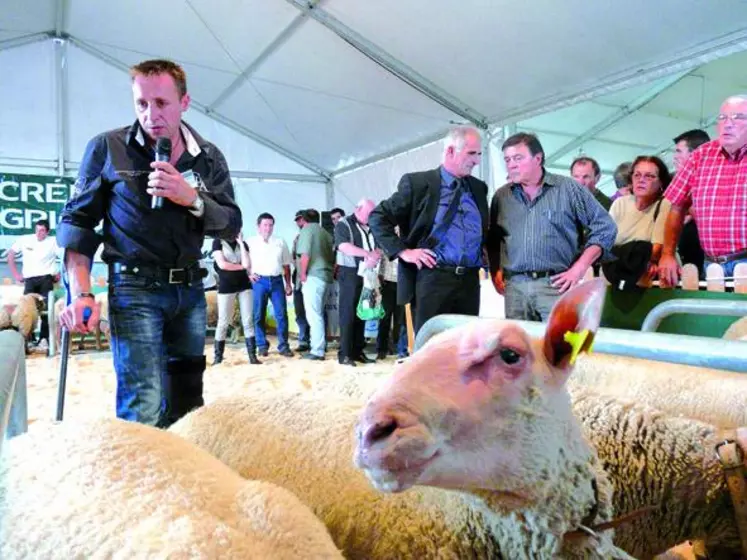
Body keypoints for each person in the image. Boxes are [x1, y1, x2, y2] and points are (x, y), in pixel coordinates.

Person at [56, 59, 242, 428]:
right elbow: (78, 223)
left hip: (190, 290)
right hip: (133, 288)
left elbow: (231, 224)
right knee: (143, 403)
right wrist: (80, 293)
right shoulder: (108, 148)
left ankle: (184, 481)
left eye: (161, 103)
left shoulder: (208, 157)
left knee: (188, 402)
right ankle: (139, 482)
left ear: (184, 102)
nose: (150, 114)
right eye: (141, 103)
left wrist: (192, 198)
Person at [369, 125, 489, 335]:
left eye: (479, 154)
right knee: (431, 349)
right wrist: (404, 252)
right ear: (451, 151)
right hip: (433, 279)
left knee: (465, 351)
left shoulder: (478, 188)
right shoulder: (418, 184)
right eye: (471, 153)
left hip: (470, 281)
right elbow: (378, 217)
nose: (477, 160)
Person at [487, 132, 616, 321]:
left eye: (518, 158)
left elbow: (605, 227)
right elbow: (494, 239)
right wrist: (494, 271)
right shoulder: (502, 196)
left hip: (556, 285)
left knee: (558, 347)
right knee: (518, 349)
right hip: (515, 289)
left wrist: (579, 268)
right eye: (507, 159)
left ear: (537, 158)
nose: (511, 164)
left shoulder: (569, 189)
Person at [660, 94, 747, 287]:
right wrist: (667, 254)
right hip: (711, 264)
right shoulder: (701, 155)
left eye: (738, 118)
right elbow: (676, 206)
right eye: (723, 118)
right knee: (715, 316)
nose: (728, 124)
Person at [605, 156, 672, 289]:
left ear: (661, 183)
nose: (641, 180)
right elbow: (606, 242)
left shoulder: (665, 204)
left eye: (649, 176)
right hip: (619, 275)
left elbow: (657, 249)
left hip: (655, 280)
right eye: (637, 175)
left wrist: (623, 254)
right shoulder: (620, 203)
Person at [334, 199, 380, 366]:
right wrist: (367, 254)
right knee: (348, 313)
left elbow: (379, 244)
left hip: (368, 273)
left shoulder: (372, 225)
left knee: (363, 311)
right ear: (358, 209)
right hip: (350, 273)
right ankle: (345, 354)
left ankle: (358, 351)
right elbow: (344, 246)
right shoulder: (344, 224)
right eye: (368, 213)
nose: (370, 216)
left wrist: (376, 254)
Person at [246, 212, 294, 357]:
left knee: (281, 314)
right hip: (259, 281)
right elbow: (243, 261)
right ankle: (261, 345)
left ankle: (283, 346)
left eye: (271, 225)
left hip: (277, 280)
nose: (268, 228)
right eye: (265, 225)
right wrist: (248, 274)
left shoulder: (280, 241)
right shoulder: (250, 242)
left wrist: (288, 284)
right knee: (258, 314)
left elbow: (286, 265)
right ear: (258, 226)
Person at [7, 219, 59, 350]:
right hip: (29, 280)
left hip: (46, 278)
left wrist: (59, 273)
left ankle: (44, 338)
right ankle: (29, 339)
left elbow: (66, 257)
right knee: (27, 311)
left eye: (42, 230)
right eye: (37, 230)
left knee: (47, 310)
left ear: (47, 231)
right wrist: (16, 274)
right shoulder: (25, 239)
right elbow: (11, 255)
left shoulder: (53, 241)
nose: (38, 233)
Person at [211, 232, 260, 366]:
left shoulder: (243, 244)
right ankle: (218, 357)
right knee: (223, 321)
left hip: (245, 285)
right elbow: (222, 265)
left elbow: (248, 264)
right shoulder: (218, 242)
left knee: (248, 320)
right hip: (226, 285)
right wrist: (241, 267)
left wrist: (241, 244)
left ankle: (252, 356)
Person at [296, 208, 334, 360]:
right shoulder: (325, 233)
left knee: (314, 315)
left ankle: (317, 350)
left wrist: (303, 274)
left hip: (313, 276)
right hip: (325, 275)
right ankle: (319, 345)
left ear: (304, 220)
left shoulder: (306, 231)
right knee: (319, 313)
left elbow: (305, 254)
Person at [671, 129, 710, 277]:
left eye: (679, 152)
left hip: (707, 263)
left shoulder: (710, 182)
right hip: (683, 266)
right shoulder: (675, 182)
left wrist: (689, 211)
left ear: (695, 154)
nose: (674, 157)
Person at [291, 210, 311, 352]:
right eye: (298, 220)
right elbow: (293, 258)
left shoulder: (316, 236)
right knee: (300, 311)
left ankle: (317, 341)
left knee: (316, 311)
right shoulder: (297, 238)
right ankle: (303, 340)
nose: (300, 222)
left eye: (302, 219)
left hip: (312, 277)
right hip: (298, 278)